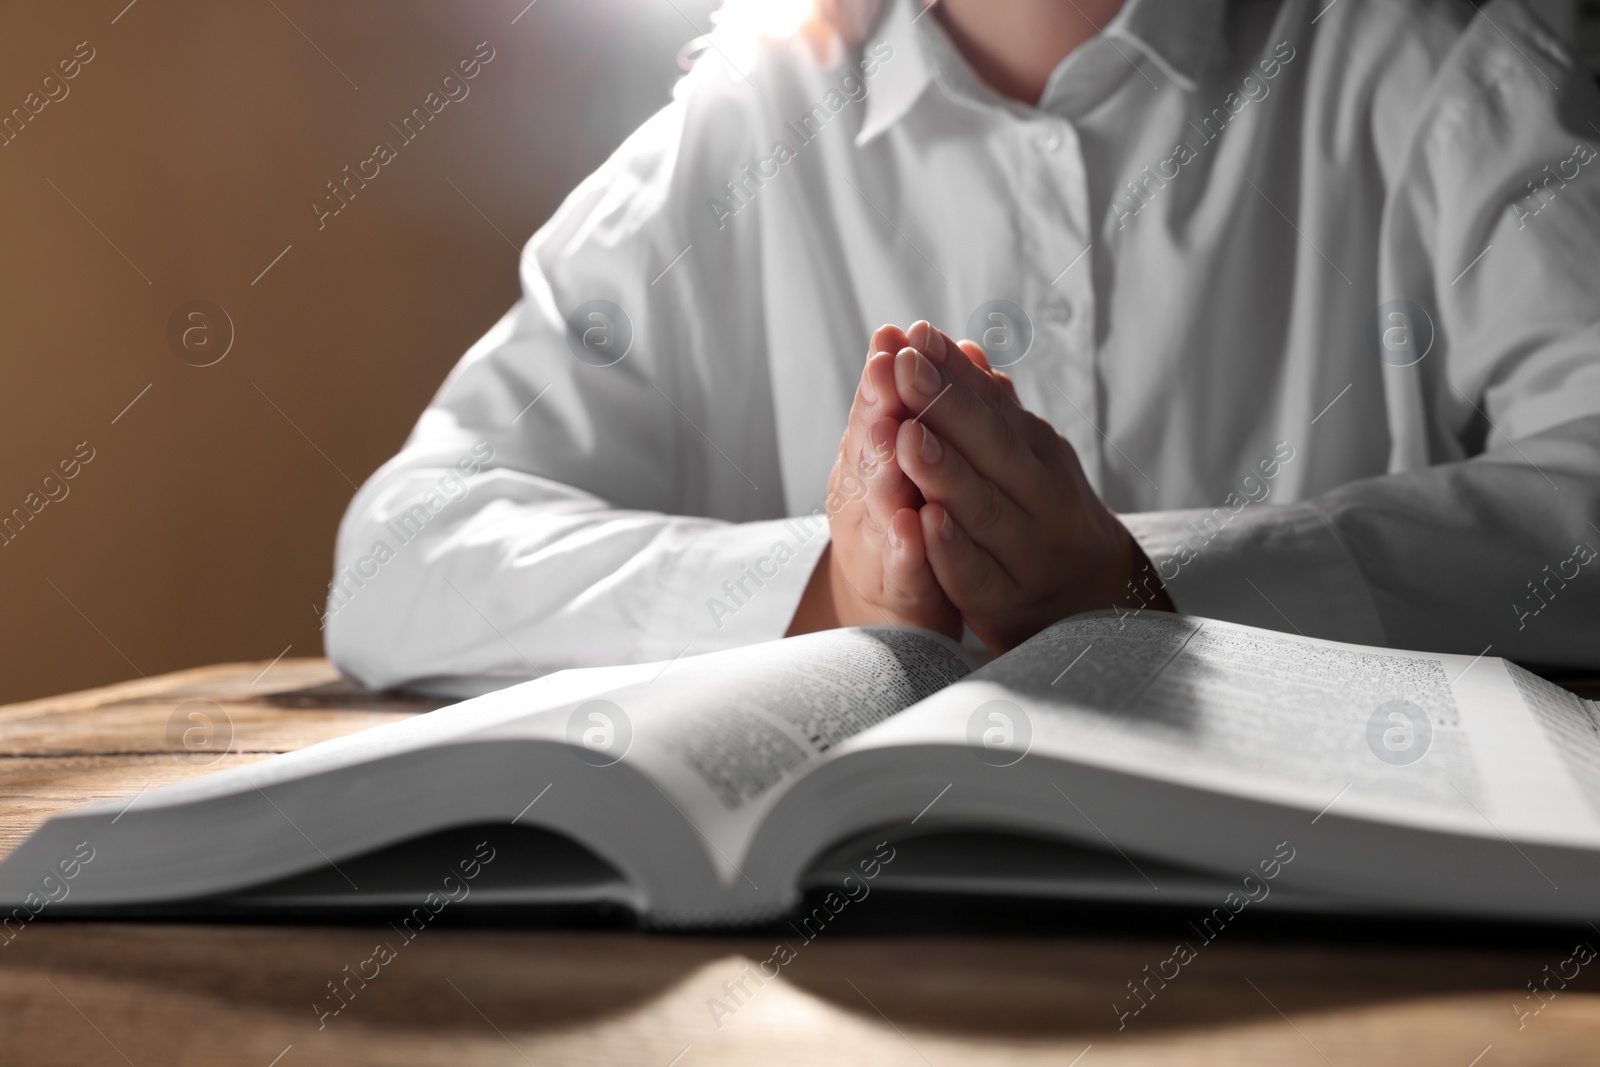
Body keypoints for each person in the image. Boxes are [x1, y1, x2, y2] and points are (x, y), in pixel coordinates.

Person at [325, 0, 1600, 693]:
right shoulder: (741, 121)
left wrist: (1152, 589)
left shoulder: (1447, 67)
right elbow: (402, 551)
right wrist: (836, 593)